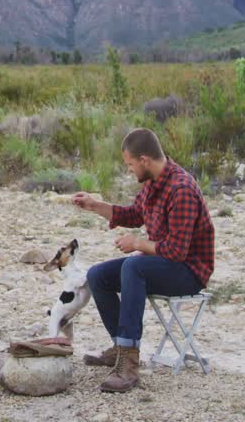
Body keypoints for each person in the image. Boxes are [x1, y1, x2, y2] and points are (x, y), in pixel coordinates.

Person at [71, 128, 215, 393]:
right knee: (98, 275)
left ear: (144, 160)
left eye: (130, 164)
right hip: (163, 263)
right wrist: (95, 205)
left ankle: (129, 366)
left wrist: (137, 244)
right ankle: (120, 347)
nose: (129, 170)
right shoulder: (153, 184)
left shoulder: (181, 189)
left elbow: (177, 252)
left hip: (189, 272)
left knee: (134, 266)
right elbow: (133, 215)